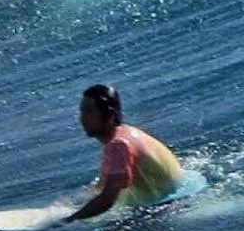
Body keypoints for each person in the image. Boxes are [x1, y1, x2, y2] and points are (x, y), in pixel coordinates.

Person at [67, 83, 184, 222]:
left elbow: (107, 200)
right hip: (178, 188)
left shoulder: (119, 145)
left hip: (169, 206)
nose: (82, 119)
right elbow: (103, 185)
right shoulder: (125, 133)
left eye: (89, 112)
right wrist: (69, 204)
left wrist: (66, 221)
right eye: (82, 112)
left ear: (110, 115)